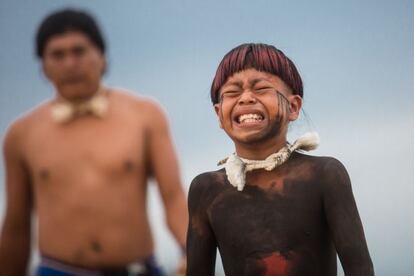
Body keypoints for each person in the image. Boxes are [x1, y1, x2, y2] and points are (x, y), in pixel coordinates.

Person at [0, 8, 187, 276]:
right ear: (43, 65)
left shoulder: (145, 116)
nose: (70, 64)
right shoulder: (22, 134)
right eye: (57, 55)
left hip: (136, 269)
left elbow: (173, 198)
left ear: (102, 57)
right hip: (57, 270)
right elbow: (16, 228)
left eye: (79, 51)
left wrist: (191, 251)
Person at [186, 43, 374, 275]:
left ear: (293, 107)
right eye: (232, 92)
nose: (245, 98)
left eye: (262, 88)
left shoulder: (324, 175)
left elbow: (361, 269)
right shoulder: (206, 190)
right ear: (219, 114)